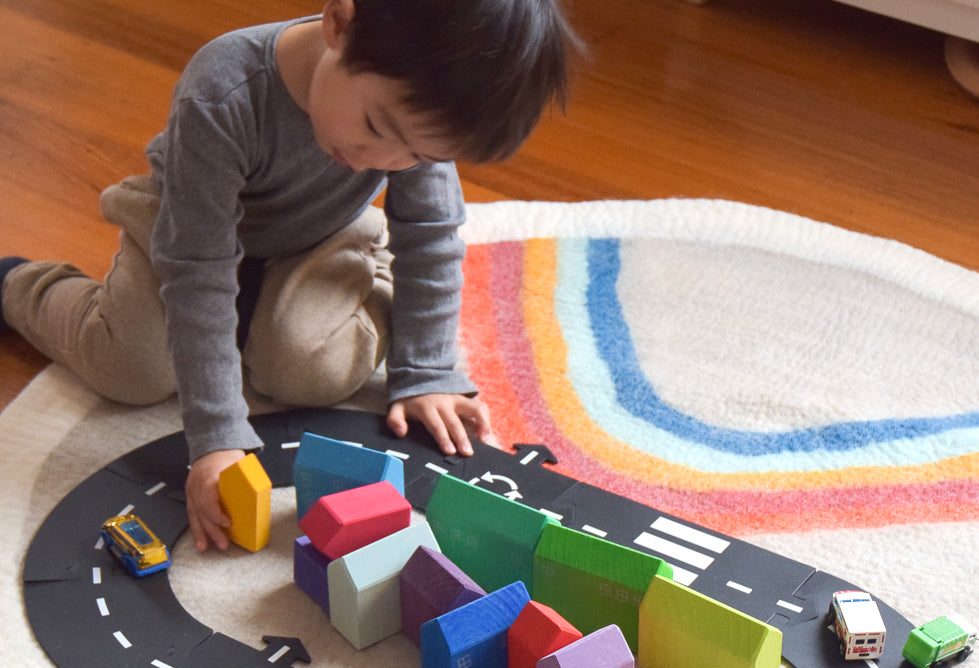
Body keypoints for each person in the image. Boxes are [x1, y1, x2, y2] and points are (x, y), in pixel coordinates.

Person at [0, 0, 577, 551]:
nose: (388, 162)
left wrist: (426, 371)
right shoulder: (224, 89)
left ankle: (338, 285)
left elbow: (429, 233)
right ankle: (16, 284)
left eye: (420, 157)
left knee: (311, 372)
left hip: (315, 235)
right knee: (129, 368)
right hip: (185, 231)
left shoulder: (413, 119)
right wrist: (218, 436)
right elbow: (197, 268)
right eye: (376, 126)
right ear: (336, 24)